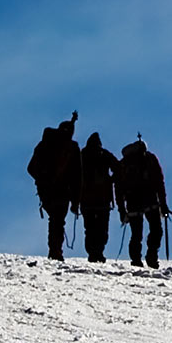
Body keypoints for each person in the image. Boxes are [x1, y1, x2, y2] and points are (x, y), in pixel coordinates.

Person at [26, 112, 80, 259]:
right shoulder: (72, 148)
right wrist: (75, 201)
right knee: (58, 221)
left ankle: (55, 250)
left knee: (55, 220)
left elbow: (31, 168)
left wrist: (42, 181)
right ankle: (56, 251)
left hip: (47, 191)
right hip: (63, 191)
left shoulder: (45, 144)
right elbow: (77, 176)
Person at [117, 136, 171, 267]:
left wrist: (122, 209)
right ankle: (151, 255)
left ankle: (136, 260)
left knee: (136, 233)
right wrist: (163, 203)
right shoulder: (150, 159)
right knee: (156, 230)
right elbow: (159, 182)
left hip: (133, 201)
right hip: (150, 199)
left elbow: (118, 188)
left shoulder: (125, 163)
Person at [76, 131, 118, 263]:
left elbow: (74, 175)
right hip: (102, 199)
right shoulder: (104, 154)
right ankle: (98, 252)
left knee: (89, 229)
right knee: (102, 228)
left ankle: (93, 253)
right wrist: (111, 180)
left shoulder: (82, 155)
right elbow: (118, 168)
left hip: (86, 199)